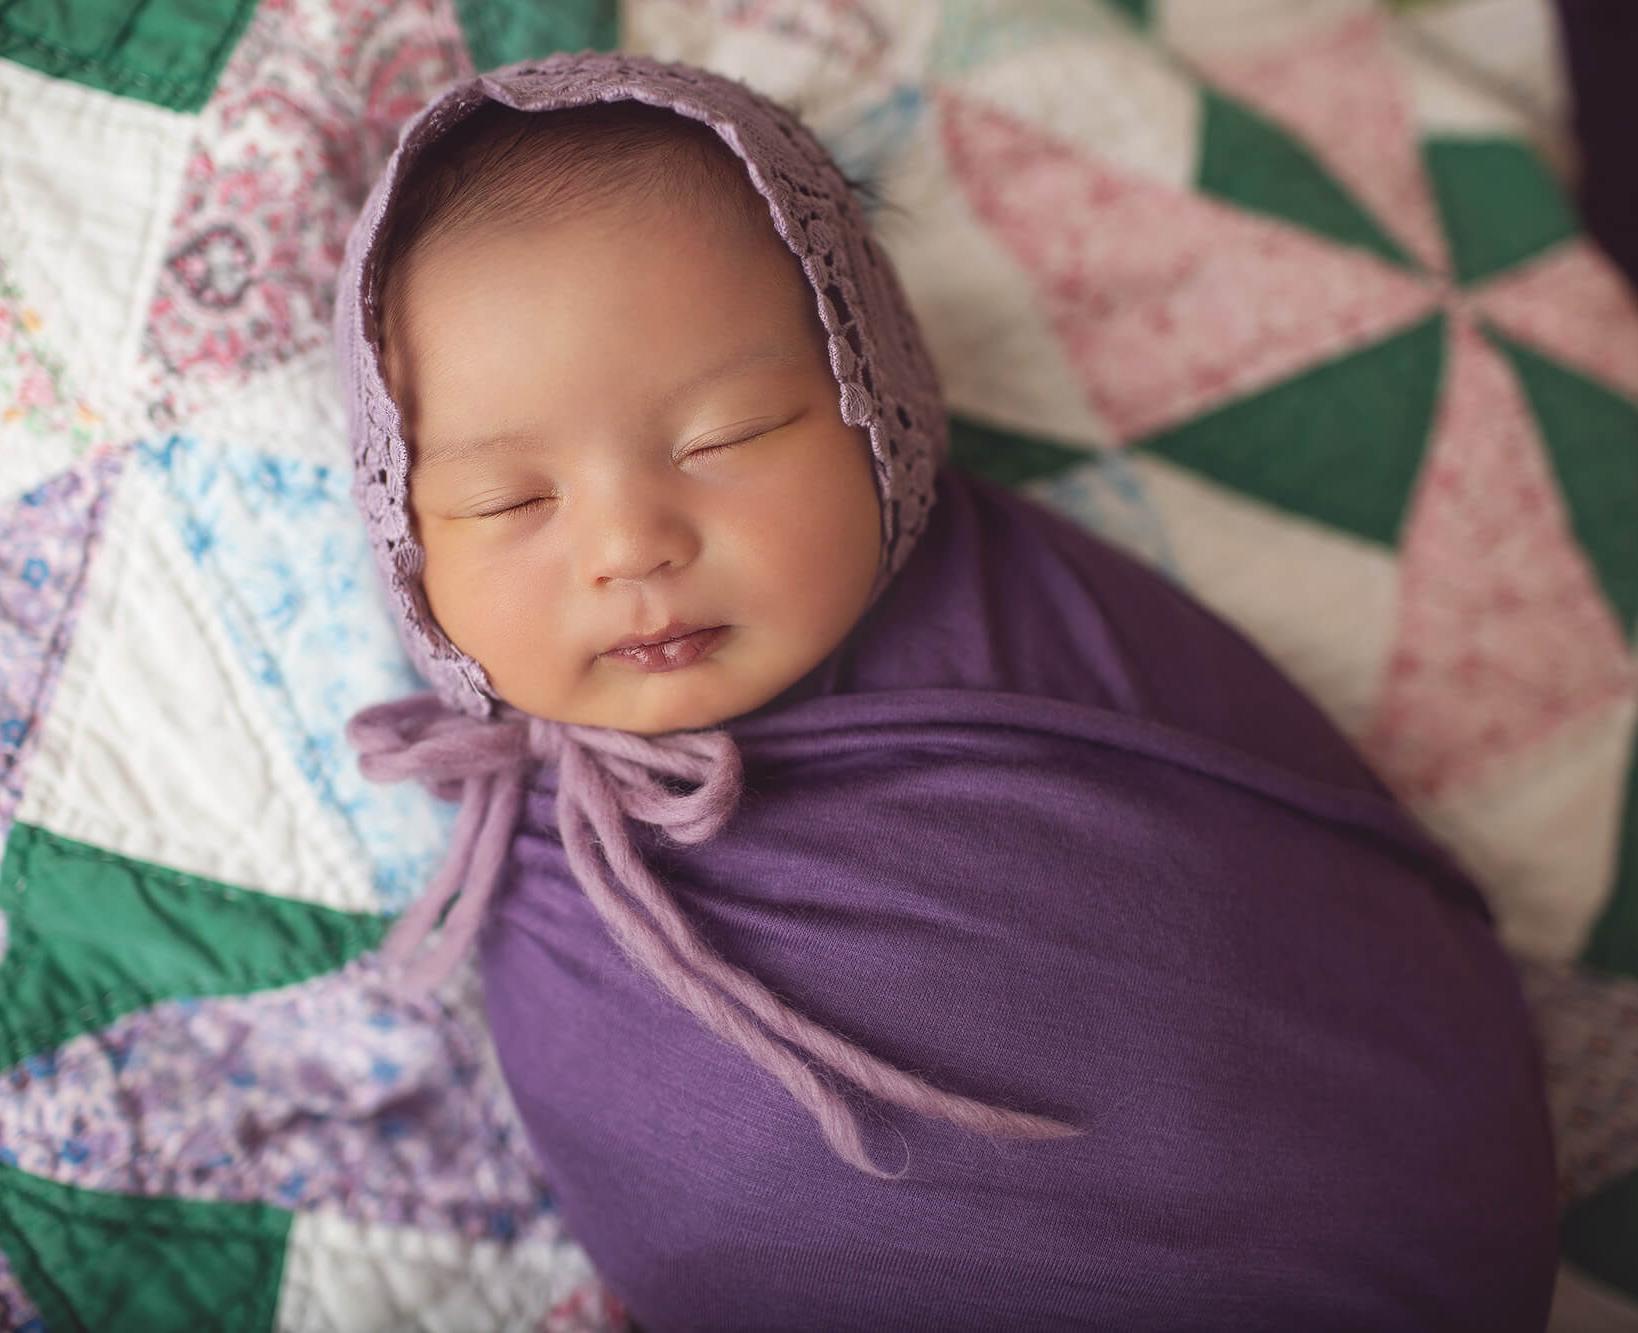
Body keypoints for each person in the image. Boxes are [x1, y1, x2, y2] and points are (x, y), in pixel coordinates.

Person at [337, 52, 1558, 1331]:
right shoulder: (536, 875)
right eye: (508, 501)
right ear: (401, 537)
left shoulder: (1041, 627)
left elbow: (1255, 953)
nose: (630, 546)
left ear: (877, 392)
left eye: (726, 438)